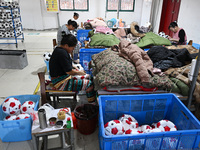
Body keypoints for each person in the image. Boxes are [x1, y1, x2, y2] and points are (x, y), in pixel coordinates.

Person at [49, 34, 96, 103]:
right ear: (66, 45)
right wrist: (79, 72)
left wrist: (75, 68)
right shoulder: (62, 53)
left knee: (88, 77)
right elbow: (69, 72)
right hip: (60, 82)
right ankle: (92, 104)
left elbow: (66, 65)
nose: (73, 50)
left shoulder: (59, 50)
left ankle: (89, 97)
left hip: (62, 77)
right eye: (72, 48)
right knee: (89, 84)